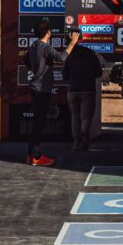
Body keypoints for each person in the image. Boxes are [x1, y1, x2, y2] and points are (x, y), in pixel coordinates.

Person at [26, 21, 79, 166]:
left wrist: (39, 68)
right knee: (39, 124)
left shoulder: (33, 45)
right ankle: (36, 157)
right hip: (41, 89)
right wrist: (73, 42)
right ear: (48, 33)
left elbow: (26, 61)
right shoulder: (45, 47)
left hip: (36, 88)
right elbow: (62, 57)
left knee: (37, 123)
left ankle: (30, 156)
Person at [63, 38, 104, 151]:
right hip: (88, 90)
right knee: (86, 117)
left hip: (73, 90)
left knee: (75, 117)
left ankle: (76, 143)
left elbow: (65, 75)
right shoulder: (91, 55)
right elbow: (99, 73)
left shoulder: (69, 56)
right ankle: (84, 134)